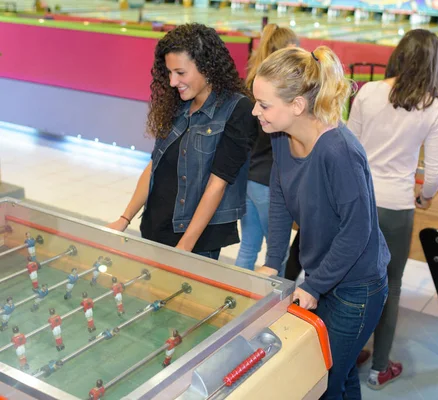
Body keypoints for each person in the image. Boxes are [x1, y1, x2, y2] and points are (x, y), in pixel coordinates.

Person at [253, 46, 390, 399]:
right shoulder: (282, 137)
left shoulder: (339, 151)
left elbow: (358, 230)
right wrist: (273, 261)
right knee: (340, 376)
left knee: (323, 379)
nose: (256, 111)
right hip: (324, 275)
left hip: (357, 286)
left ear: (297, 105)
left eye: (264, 104)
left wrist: (315, 285)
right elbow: (280, 199)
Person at [347, 29, 438, 390]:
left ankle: (348, 349)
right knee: (390, 284)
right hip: (396, 208)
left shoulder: (369, 91)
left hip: (358, 201)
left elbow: (349, 147)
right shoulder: (434, 107)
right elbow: (434, 173)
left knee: (351, 278)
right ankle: (380, 366)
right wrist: (425, 196)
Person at [108, 24, 258, 260]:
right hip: (155, 226)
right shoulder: (178, 103)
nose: (172, 82)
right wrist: (125, 218)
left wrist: (185, 246)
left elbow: (217, 185)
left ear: (206, 67)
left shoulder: (237, 110)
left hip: (195, 241)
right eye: (169, 73)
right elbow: (154, 165)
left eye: (180, 73)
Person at [235, 23, 299, 271]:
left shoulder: (251, 84)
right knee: (277, 257)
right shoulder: (282, 98)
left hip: (247, 179)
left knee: (248, 247)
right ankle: (273, 307)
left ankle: (238, 299)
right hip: (269, 184)